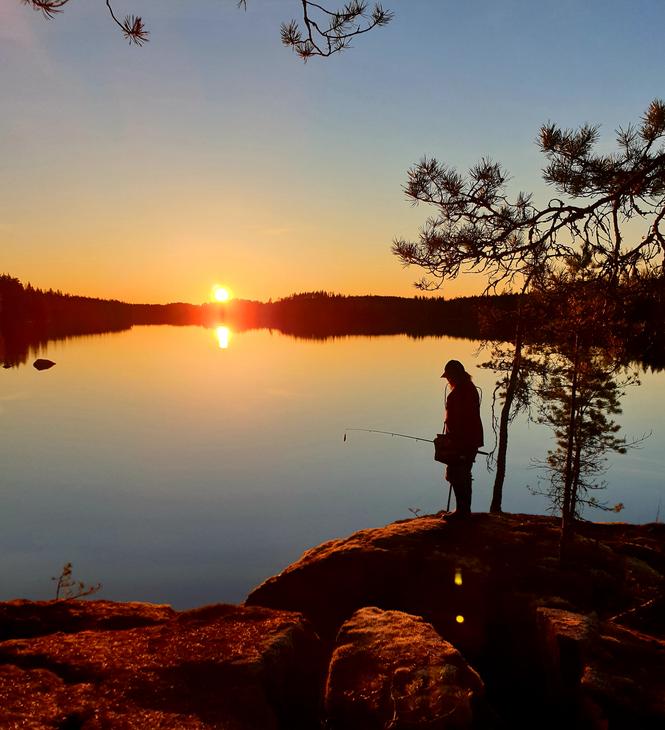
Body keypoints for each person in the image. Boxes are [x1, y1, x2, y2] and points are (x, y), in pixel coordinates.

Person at [441, 359, 483, 517]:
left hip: (461, 442)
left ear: (454, 376)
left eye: (448, 377)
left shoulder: (459, 393)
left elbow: (457, 421)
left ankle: (461, 511)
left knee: (456, 474)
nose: (447, 380)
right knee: (463, 474)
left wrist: (450, 441)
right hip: (470, 440)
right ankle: (464, 510)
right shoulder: (470, 388)